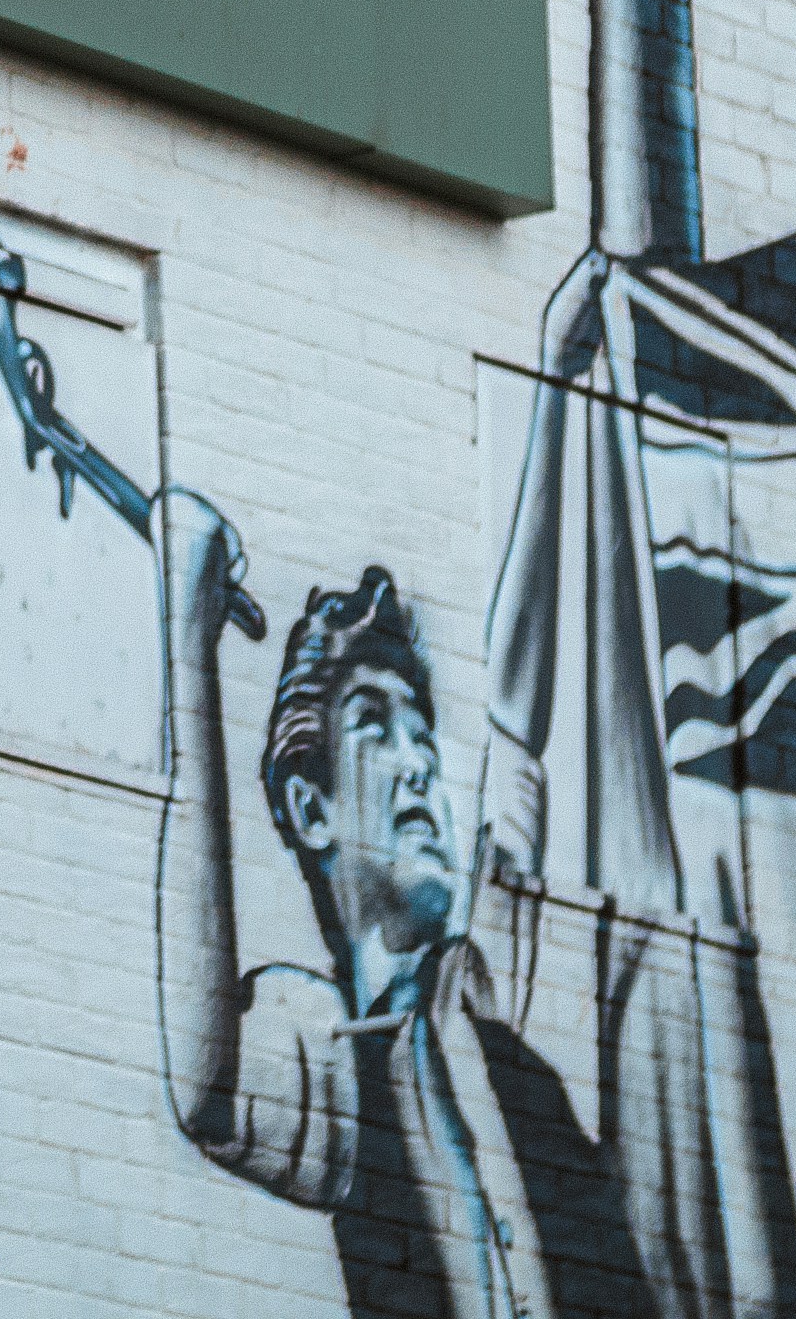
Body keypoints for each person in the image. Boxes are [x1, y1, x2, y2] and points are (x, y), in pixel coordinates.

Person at [156, 496, 654, 1319]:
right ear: (313, 810)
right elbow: (206, 1080)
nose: (420, 764)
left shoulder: (526, 1077)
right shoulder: (347, 1059)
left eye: (423, 734)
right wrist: (187, 626)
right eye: (375, 729)